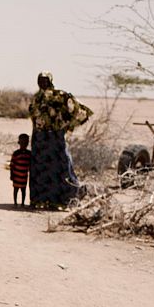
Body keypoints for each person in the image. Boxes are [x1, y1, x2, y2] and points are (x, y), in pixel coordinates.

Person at [28, 72, 92, 208]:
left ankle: (67, 199)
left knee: (61, 166)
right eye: (40, 80)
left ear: (50, 81)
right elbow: (34, 117)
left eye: (45, 80)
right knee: (41, 168)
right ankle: (42, 200)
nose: (42, 83)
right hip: (40, 139)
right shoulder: (36, 98)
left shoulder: (60, 96)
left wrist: (65, 125)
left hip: (55, 138)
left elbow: (76, 109)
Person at [9, 133, 32, 207]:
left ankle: (22, 203)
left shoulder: (29, 153)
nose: (24, 144)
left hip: (24, 176)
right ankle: (15, 202)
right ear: (19, 143)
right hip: (16, 175)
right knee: (16, 189)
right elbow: (12, 165)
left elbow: (31, 164)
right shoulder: (16, 153)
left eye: (25, 143)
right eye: (22, 142)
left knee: (23, 190)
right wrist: (11, 174)